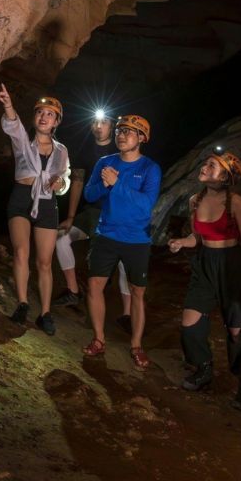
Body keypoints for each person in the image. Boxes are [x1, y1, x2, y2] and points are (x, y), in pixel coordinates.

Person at [168, 150, 241, 411]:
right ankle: (204, 369)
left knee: (236, 328)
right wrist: (180, 242)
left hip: (231, 265)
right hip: (204, 262)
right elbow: (197, 237)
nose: (205, 167)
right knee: (190, 322)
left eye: (212, 165)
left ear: (225, 177)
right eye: (206, 163)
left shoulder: (236, 203)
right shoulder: (195, 201)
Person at [81, 114, 161, 368]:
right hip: (107, 234)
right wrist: (105, 186)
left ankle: (136, 345)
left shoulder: (150, 168)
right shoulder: (105, 162)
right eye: (119, 130)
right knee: (94, 286)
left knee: (137, 292)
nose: (121, 135)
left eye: (129, 131)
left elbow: (145, 206)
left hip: (137, 239)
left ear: (142, 138)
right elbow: (89, 193)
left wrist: (116, 184)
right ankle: (99, 340)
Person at [0, 83, 70, 336]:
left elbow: (64, 180)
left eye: (49, 114)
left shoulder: (61, 151)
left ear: (56, 122)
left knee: (45, 262)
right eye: (40, 112)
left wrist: (60, 184)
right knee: (20, 251)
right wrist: (8, 105)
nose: (44, 116)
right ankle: (22, 303)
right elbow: (13, 125)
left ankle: (46, 313)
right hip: (21, 197)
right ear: (35, 117)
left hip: (47, 203)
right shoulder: (23, 142)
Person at [54, 113, 132, 331]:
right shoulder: (84, 151)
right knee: (61, 239)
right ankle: (73, 292)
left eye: (104, 122)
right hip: (91, 214)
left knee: (123, 258)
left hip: (117, 216)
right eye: (94, 122)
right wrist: (70, 217)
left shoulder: (123, 152)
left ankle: (127, 313)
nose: (98, 126)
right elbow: (77, 182)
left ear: (113, 127)